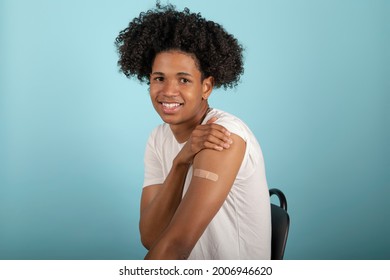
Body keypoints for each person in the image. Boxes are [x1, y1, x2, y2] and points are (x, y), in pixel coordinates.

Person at [115, 3, 271, 260]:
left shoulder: (222, 136)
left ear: (206, 87)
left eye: (184, 79)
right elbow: (151, 237)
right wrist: (180, 161)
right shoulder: (159, 138)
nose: (168, 91)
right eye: (159, 78)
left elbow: (176, 246)